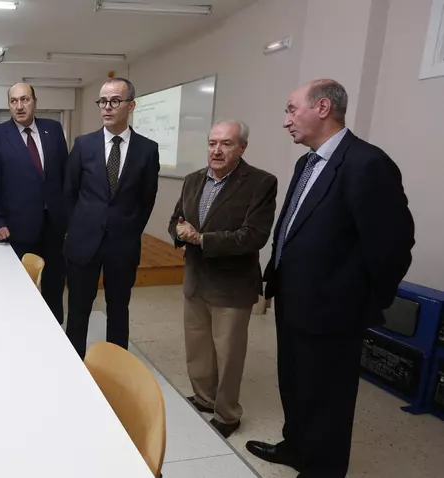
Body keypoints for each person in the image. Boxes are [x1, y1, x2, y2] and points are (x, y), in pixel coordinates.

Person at [246, 79, 414, 477]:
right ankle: (296, 448)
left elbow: (393, 245)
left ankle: (322, 469)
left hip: (335, 312)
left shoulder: (367, 163)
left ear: (322, 108)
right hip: (293, 300)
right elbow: (295, 226)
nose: (286, 120)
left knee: (328, 398)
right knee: (295, 384)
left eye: (292, 110)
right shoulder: (307, 163)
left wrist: (363, 303)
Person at [168, 120, 277, 438]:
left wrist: (201, 239)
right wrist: (178, 230)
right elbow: (177, 219)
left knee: (228, 354)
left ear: (242, 147)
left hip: (232, 285)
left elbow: (253, 236)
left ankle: (228, 414)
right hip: (195, 279)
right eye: (212, 143)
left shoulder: (260, 183)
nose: (217, 150)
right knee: (198, 347)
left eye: (226, 144)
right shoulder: (192, 179)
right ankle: (204, 398)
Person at [64, 77, 159, 357]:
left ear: (131, 105)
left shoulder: (147, 149)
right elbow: (69, 192)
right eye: (103, 101)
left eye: (115, 101)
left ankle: (117, 368)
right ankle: (74, 364)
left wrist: (129, 229)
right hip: (83, 242)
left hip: (123, 244)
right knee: (78, 308)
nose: (107, 107)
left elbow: (147, 199)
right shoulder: (84, 145)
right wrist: (76, 228)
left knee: (118, 309)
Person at [0, 83, 70, 322]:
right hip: (17, 227)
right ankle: (20, 328)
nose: (19, 106)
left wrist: (69, 216)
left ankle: (53, 328)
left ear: (34, 102)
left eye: (25, 99)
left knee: (54, 283)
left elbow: (65, 175)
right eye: (14, 101)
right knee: (19, 286)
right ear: (9, 105)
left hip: (54, 225)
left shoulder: (53, 129)